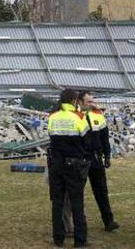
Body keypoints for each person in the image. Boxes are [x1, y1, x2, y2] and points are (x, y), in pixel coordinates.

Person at [47, 88, 91, 248]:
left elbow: (51, 136)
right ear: (74, 101)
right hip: (74, 164)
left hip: (56, 163)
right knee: (76, 202)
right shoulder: (79, 117)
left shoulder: (53, 116)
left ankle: (58, 237)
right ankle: (80, 239)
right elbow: (88, 141)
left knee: (57, 201)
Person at [78, 91, 119, 231]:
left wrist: (107, 155)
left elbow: (104, 137)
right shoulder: (75, 116)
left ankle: (109, 221)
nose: (92, 104)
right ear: (80, 102)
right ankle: (78, 224)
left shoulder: (98, 115)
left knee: (101, 191)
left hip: (96, 158)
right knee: (77, 192)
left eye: (92, 101)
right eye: (88, 102)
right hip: (81, 159)